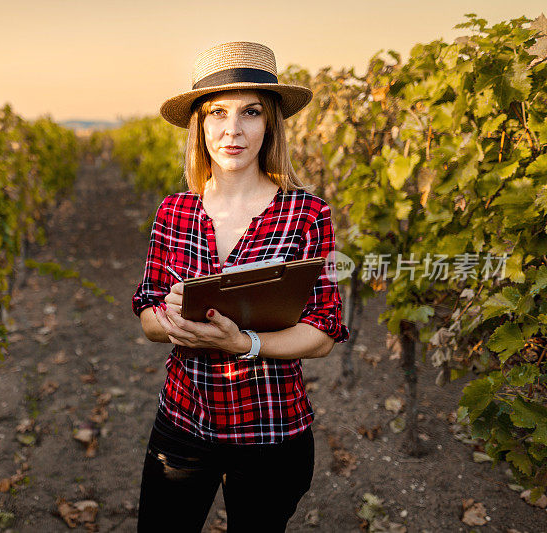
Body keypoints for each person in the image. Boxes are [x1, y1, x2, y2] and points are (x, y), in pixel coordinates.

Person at [131, 42, 350, 532]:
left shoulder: (307, 215)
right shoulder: (174, 211)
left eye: (250, 112)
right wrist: (170, 321)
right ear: (200, 126)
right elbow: (147, 314)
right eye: (217, 113)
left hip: (272, 429)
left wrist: (243, 344)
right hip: (184, 420)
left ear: (270, 122)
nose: (233, 130)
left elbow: (323, 331)